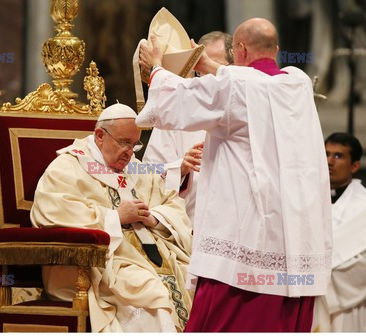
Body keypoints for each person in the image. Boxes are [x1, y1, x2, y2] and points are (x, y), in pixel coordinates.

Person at [137, 17, 332, 332]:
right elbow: (250, 83)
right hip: (294, 250)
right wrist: (207, 63)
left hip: (245, 251)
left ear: (239, 49)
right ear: (276, 50)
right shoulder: (296, 83)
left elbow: (173, 102)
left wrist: (157, 69)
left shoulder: (233, 88)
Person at [30, 102, 192, 332]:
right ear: (99, 136)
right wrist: (115, 217)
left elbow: (173, 204)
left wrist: (154, 218)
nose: (129, 153)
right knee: (151, 291)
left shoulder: (136, 169)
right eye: (124, 143)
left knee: (194, 280)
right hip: (99, 263)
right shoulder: (67, 166)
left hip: (151, 256)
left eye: (135, 145)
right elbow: (52, 211)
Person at [142, 31, 232, 227]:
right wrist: (180, 168)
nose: (206, 77)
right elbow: (147, 172)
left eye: (214, 67)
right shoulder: (178, 111)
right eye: (200, 69)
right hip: (190, 226)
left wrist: (155, 67)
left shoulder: (243, 108)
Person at [313, 132, 366, 332]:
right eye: (326, 154)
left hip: (348, 303)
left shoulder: (363, 207)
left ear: (354, 166)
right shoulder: (306, 199)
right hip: (307, 295)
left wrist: (325, 277)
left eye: (338, 156)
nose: (329, 161)